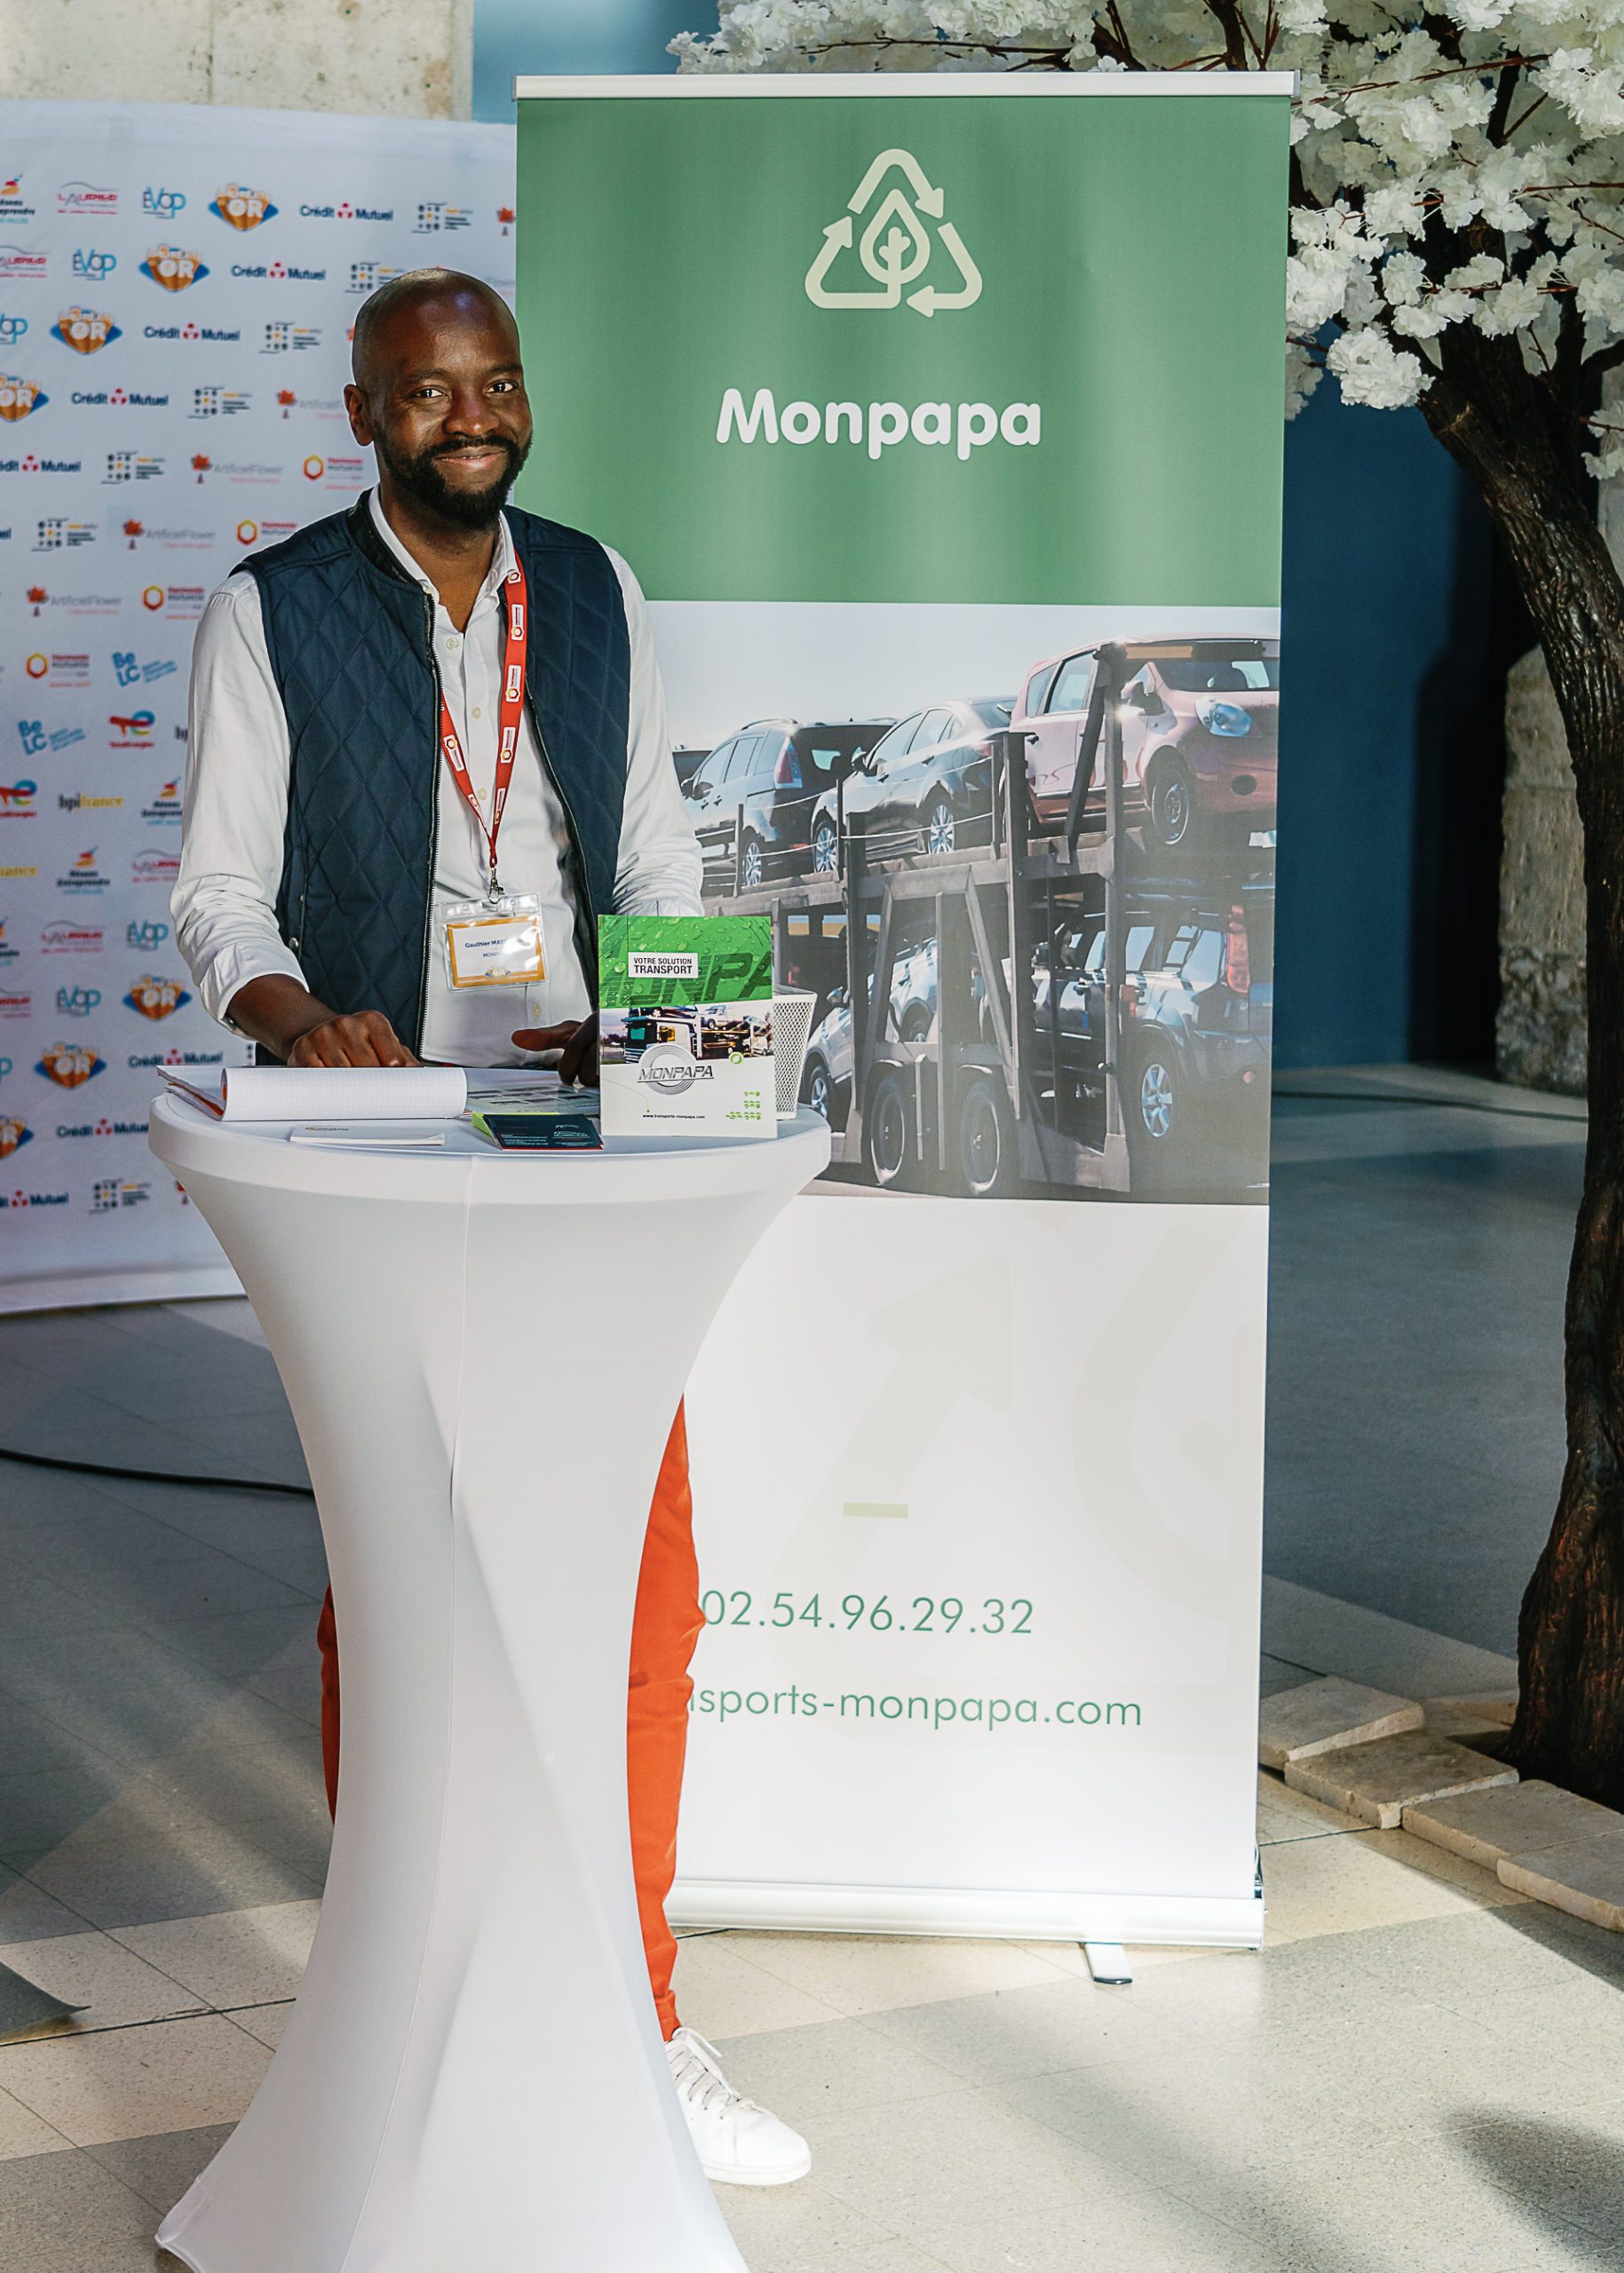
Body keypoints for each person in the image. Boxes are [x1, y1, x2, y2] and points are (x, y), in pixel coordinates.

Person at [172, 266, 810, 2189]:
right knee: (401, 1582)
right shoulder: (272, 608)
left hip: (590, 1134)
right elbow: (219, 897)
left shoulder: (595, 591)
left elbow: (657, 857)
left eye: (498, 381)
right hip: (378, 1136)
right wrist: (302, 1013)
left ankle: (642, 2014)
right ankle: (403, 1999)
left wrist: (670, 1022)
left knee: (641, 1585)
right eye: (432, 389)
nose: (474, 415)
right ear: (366, 412)